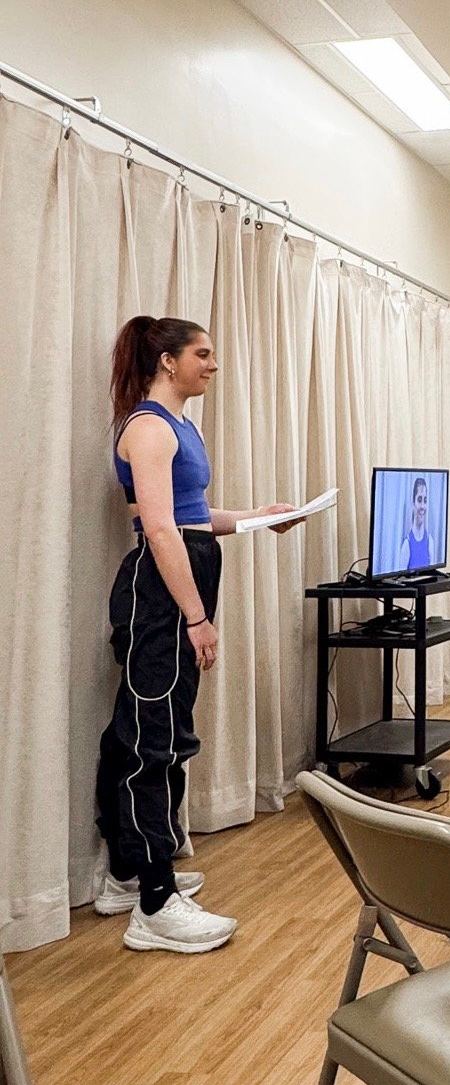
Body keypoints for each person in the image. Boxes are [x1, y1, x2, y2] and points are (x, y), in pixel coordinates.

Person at [94, 316, 299, 953]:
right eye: (201, 354)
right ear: (167, 361)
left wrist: (258, 517)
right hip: (160, 592)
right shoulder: (148, 427)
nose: (212, 364)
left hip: (186, 573)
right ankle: (154, 905)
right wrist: (195, 618)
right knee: (151, 740)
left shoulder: (181, 426)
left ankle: (127, 873)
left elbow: (193, 516)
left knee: (148, 730)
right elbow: (160, 531)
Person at [395, 476, 436, 572]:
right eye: (419, 500)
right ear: (413, 503)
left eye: (425, 500)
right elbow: (400, 579)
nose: (422, 506)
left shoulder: (430, 542)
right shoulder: (406, 545)